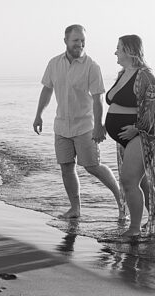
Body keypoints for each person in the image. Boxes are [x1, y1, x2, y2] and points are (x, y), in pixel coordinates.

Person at [34, 24, 122, 219]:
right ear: (65, 41)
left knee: (93, 167)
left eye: (82, 41)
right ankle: (75, 209)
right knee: (66, 167)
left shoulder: (92, 66)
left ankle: (120, 198)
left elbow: (98, 98)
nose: (79, 44)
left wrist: (99, 126)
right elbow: (47, 90)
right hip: (61, 126)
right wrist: (39, 114)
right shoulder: (54, 64)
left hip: (85, 126)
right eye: (76, 40)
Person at [104, 35, 155, 237]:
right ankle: (153, 219)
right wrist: (103, 125)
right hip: (125, 138)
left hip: (141, 136)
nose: (115, 52)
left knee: (128, 181)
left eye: (118, 48)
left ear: (129, 50)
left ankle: (134, 229)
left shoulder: (145, 76)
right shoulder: (123, 73)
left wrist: (137, 128)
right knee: (141, 182)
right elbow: (116, 104)